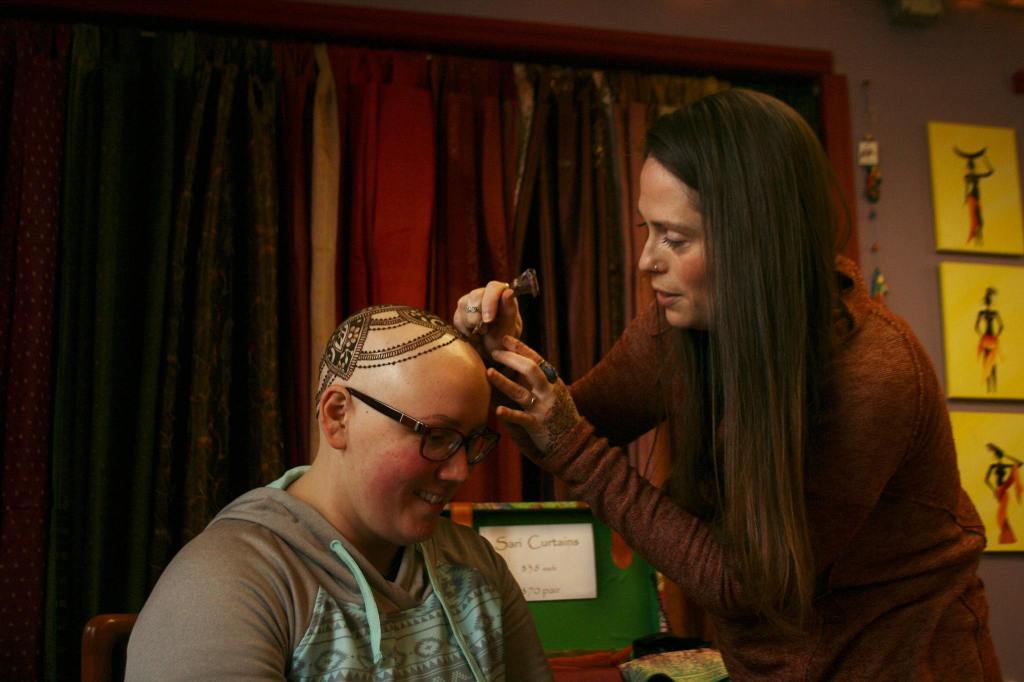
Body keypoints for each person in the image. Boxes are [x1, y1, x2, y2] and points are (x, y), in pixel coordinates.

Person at [454, 89, 1001, 679]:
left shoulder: (872, 371)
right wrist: (499, 352)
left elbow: (744, 583)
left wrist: (571, 442)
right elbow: (563, 428)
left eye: (675, 238)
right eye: (647, 230)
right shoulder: (678, 329)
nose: (645, 261)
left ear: (754, 239)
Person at [126, 304, 552, 681]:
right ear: (337, 416)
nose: (460, 471)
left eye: (471, 441)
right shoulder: (226, 587)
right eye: (436, 436)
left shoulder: (476, 567)